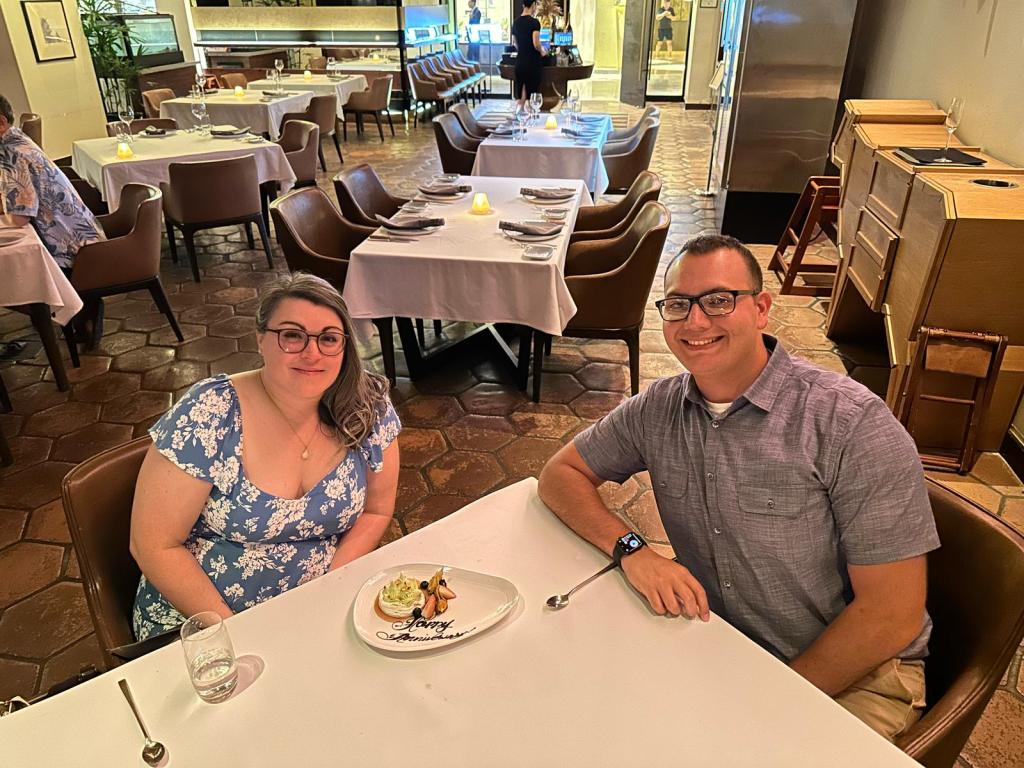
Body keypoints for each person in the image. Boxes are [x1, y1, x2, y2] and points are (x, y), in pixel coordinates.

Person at [538, 234, 940, 741]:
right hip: (723, 641)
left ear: (761, 309)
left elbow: (892, 616)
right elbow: (560, 475)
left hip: (856, 674)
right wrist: (633, 550)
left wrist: (767, 704)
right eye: (678, 305)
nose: (695, 322)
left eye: (719, 300)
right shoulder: (658, 408)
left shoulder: (851, 423)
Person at [130, 273, 402, 640]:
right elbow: (153, 544)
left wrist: (331, 588)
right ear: (260, 339)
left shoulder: (366, 404)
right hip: (205, 618)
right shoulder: (210, 411)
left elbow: (376, 511)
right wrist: (236, 632)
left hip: (317, 609)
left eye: (328, 338)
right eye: (292, 335)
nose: (312, 353)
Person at [0, 94, 102, 271]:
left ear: (1, 122)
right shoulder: (16, 139)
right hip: (85, 241)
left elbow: (18, 218)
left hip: (74, 255)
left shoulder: (11, 154)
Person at [511, 0, 547, 108]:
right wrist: (542, 51)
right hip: (532, 64)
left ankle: (519, 116)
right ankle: (532, 117)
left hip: (520, 63)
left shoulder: (516, 22)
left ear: (523, 5)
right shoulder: (534, 22)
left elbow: (515, 43)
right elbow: (536, 44)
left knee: (521, 98)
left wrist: (523, 50)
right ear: (533, 5)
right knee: (532, 98)